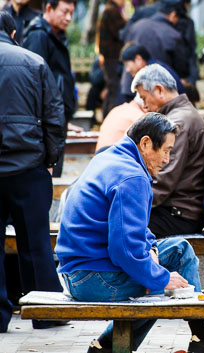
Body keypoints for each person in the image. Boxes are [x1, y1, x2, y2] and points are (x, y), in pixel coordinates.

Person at [56, 113, 204, 353]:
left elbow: (133, 229)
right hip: (94, 279)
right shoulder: (132, 177)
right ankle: (110, 346)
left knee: (180, 250)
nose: (167, 159)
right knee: (168, 288)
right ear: (146, 143)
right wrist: (161, 278)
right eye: (166, 151)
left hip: (78, 274)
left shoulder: (111, 158)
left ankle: (202, 338)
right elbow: (124, 251)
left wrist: (153, 250)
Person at [0, 10, 65, 332]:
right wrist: (49, 160)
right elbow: (54, 117)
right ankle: (46, 312)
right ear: (14, 34)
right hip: (27, 167)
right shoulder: (33, 62)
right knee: (36, 243)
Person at [131, 64, 204, 238]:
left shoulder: (178, 122)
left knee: (115, 225)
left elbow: (162, 180)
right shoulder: (180, 116)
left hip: (177, 214)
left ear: (159, 90)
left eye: (144, 98)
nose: (144, 106)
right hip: (174, 209)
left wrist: (129, 203)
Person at [23, 0, 78, 177]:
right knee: (47, 176)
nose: (68, 18)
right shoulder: (38, 35)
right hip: (45, 121)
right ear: (49, 8)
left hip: (56, 118)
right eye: (64, 12)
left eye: (71, 13)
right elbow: (34, 82)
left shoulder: (57, 35)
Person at [120, 42, 185, 96]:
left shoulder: (151, 73)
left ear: (138, 59)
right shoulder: (155, 67)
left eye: (127, 65)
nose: (127, 70)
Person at [98, 0, 127, 117]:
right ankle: (109, 118)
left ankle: (108, 118)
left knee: (112, 89)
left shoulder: (109, 10)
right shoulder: (112, 12)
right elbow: (121, 33)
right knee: (114, 89)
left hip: (109, 58)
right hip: (112, 58)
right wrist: (126, 21)